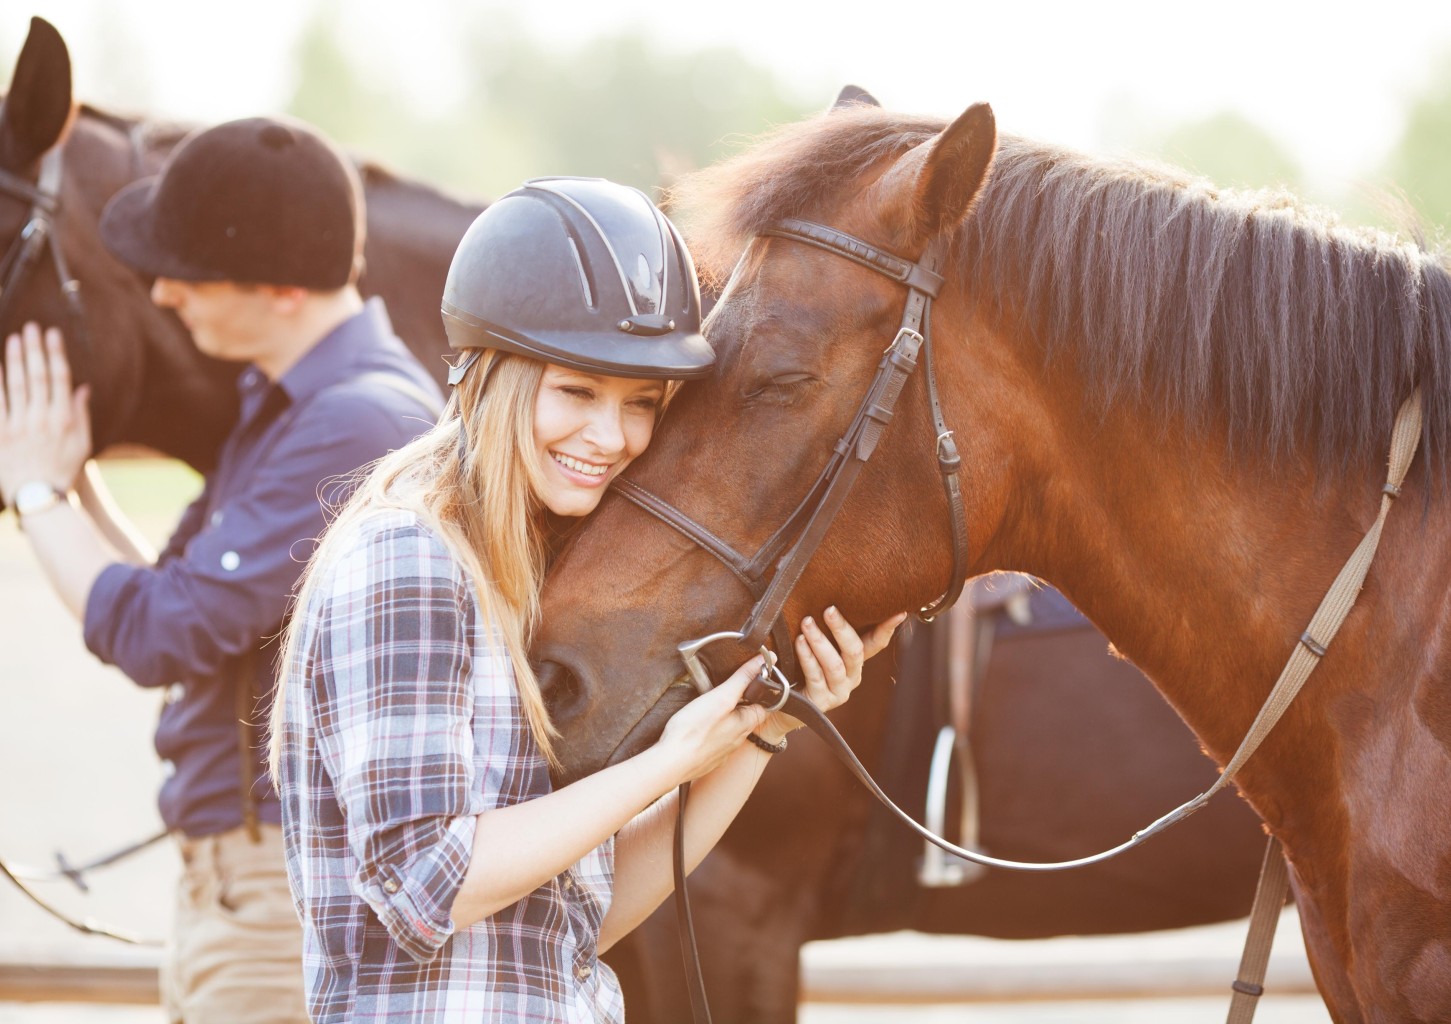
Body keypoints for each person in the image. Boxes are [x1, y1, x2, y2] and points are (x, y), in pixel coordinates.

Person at [268, 176, 906, 1022]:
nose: (610, 439)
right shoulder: (408, 560)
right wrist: (668, 761)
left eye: (640, 405)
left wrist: (765, 729)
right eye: (576, 392)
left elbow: (574, 927)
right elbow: (427, 883)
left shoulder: (527, 570)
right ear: (489, 375)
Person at [0, 116, 442, 1024]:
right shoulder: (288, 409)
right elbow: (171, 597)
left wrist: (39, 493)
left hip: (281, 901)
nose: (163, 292)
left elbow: (160, 635)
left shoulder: (356, 424)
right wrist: (69, 483)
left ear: (279, 287)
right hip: (237, 891)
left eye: (187, 268)